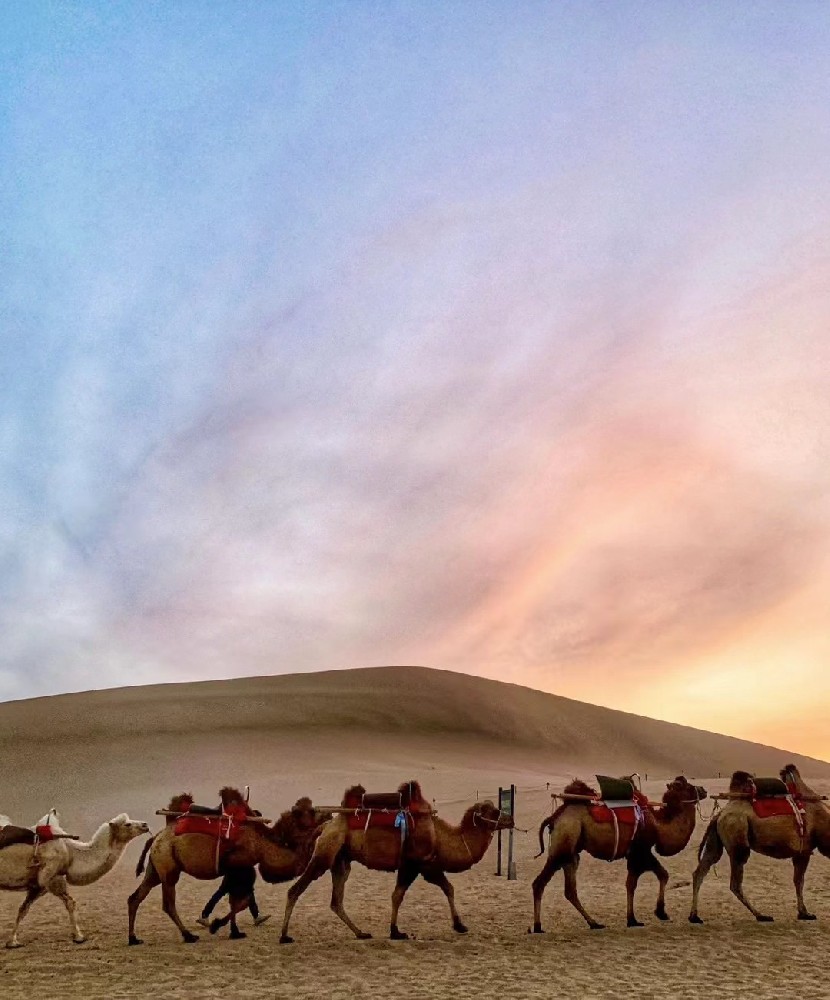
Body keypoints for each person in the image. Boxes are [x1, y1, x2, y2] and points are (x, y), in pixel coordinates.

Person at [197, 871, 270, 927]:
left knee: (220, 892)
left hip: (230, 871)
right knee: (248, 891)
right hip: (241, 871)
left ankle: (204, 915)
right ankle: (256, 916)